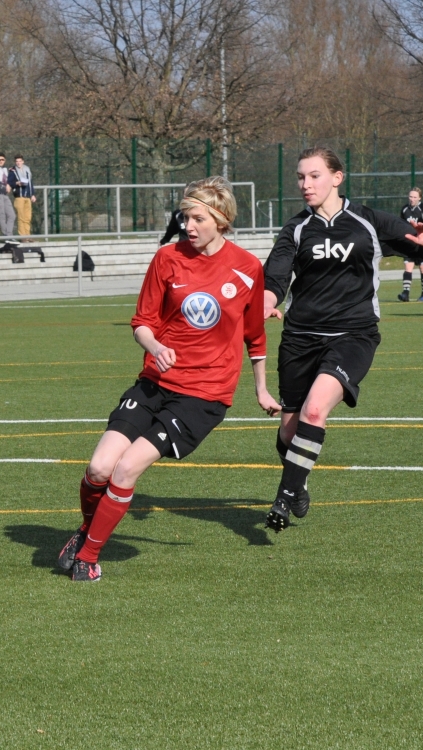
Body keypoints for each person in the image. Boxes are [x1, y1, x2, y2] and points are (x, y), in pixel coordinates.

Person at [57, 176, 279, 582]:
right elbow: (142, 322)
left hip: (203, 396)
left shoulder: (248, 269)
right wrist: (155, 346)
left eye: (197, 219)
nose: (188, 226)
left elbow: (255, 334)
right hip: (154, 382)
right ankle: (87, 530)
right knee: (99, 467)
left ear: (221, 220)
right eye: (185, 217)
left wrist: (261, 388)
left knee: (125, 471)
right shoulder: (166, 259)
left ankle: (88, 556)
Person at [262, 148, 423, 532]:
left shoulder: (368, 220)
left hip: (354, 334)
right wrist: (265, 303)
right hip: (300, 337)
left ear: (336, 178)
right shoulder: (295, 228)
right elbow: (275, 277)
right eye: (300, 177)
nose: (305, 184)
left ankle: (282, 498)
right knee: (289, 429)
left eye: (313, 176)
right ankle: (299, 481)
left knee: (315, 411)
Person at [398, 188, 423, 302]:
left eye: (414, 197)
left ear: (419, 198)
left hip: (421, 242)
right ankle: (405, 293)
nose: (412, 199)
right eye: (410, 197)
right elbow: (401, 224)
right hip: (409, 242)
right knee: (408, 266)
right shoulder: (404, 209)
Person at [8, 155, 37, 238]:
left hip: (27, 197)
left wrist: (33, 194)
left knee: (28, 217)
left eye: (20, 161)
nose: (18, 163)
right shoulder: (12, 170)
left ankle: (28, 235)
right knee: (21, 217)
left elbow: (30, 183)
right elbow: (9, 182)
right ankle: (22, 236)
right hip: (19, 197)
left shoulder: (27, 170)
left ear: (23, 161)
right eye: (17, 161)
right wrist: (16, 183)